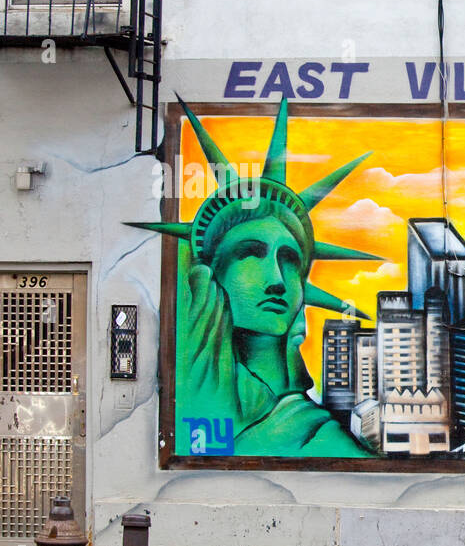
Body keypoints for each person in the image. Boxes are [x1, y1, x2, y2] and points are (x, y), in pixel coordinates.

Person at [131, 97, 378, 457]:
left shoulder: (318, 436)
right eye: (250, 253)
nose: (277, 279)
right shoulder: (198, 388)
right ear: (210, 276)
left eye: (290, 259)